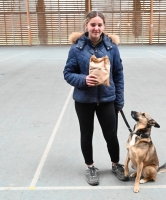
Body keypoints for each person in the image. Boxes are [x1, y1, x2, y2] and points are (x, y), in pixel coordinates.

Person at [63, 11, 128, 186]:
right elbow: (68, 74)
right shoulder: (76, 49)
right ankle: (90, 166)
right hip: (84, 101)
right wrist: (83, 80)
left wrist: (119, 100)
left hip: (107, 100)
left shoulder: (112, 48)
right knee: (86, 135)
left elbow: (118, 75)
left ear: (104, 27)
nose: (96, 28)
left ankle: (115, 164)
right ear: (86, 26)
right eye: (93, 25)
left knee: (111, 135)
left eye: (99, 25)